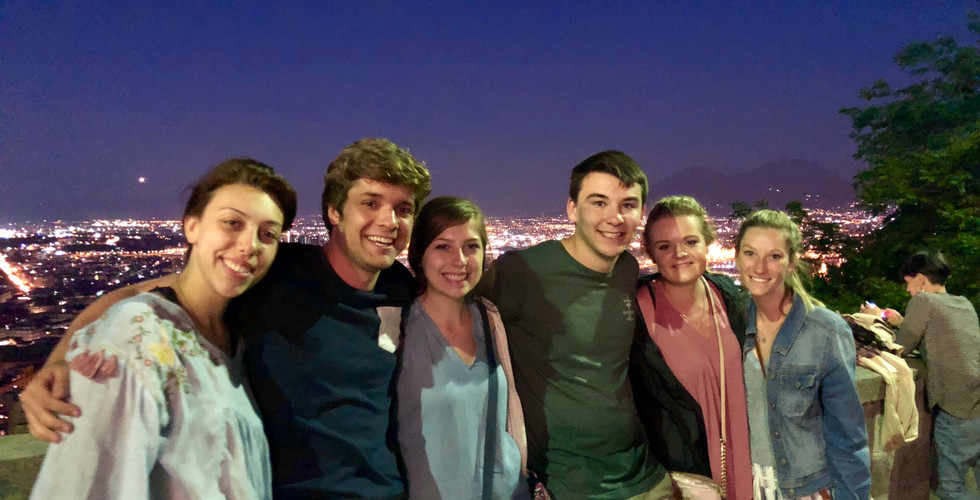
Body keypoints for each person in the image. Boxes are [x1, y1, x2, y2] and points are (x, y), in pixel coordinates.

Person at [21, 138, 432, 499]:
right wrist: (58, 363)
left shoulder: (400, 287)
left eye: (403, 209)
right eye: (370, 203)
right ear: (335, 212)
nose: (388, 221)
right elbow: (133, 298)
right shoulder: (274, 271)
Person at [30, 158, 298, 499]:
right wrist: (58, 361)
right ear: (192, 227)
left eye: (268, 234)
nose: (250, 245)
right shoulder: (134, 337)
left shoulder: (234, 331)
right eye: (232, 223)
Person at [485, 151, 676, 499]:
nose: (614, 218)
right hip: (569, 482)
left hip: (643, 471)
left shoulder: (627, 269)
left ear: (641, 213)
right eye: (598, 202)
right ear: (572, 209)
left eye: (628, 205)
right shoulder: (523, 271)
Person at [398, 196, 530, 499]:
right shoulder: (400, 328)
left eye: (471, 246)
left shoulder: (489, 319)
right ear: (419, 255)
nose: (459, 260)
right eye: (442, 246)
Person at [736, 210, 870, 500]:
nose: (760, 266)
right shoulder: (731, 323)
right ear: (737, 257)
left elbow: (848, 434)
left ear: (791, 263)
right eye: (750, 253)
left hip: (806, 488)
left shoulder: (825, 331)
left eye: (774, 256)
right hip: (747, 484)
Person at [628, 195, 753, 499]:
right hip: (683, 476)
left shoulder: (726, 296)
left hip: (746, 459)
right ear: (651, 254)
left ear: (707, 243)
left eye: (690, 242)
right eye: (665, 246)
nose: (679, 254)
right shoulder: (636, 312)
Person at [863, 251, 980, 500]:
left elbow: (900, 348)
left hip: (958, 409)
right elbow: (940, 333)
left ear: (920, 279)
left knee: (949, 488)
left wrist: (875, 321)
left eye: (908, 283)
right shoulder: (963, 304)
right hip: (976, 401)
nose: (908, 290)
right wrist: (901, 322)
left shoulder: (923, 301)